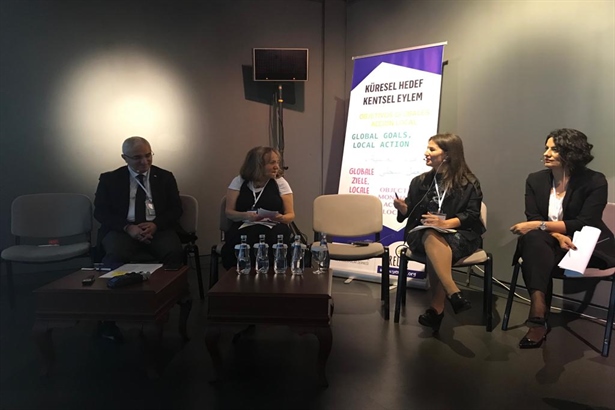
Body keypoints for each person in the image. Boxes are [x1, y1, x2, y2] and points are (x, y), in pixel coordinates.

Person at [510, 128, 615, 349]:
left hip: (583, 245)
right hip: (547, 243)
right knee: (534, 240)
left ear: (572, 152)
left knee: (534, 240)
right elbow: (534, 218)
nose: (546, 153)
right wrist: (555, 234)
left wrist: (538, 226)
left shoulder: (595, 181)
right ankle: (538, 313)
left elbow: (586, 222)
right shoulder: (535, 180)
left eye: (554, 149)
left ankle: (538, 319)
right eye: (546, 148)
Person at [393, 133, 485, 333]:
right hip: (422, 234)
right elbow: (410, 211)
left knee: (436, 245)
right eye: (428, 148)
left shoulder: (468, 182)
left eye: (432, 149)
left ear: (448, 154)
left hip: (460, 234)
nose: (426, 153)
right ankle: (453, 292)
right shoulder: (419, 181)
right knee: (430, 235)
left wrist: (445, 223)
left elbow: (472, 215)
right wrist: (403, 208)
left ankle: (436, 309)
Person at [94, 136, 184, 266]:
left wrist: (155, 225)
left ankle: (170, 280)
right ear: (125, 158)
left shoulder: (164, 177)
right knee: (115, 255)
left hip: (158, 229)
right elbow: (101, 212)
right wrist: (128, 227)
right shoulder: (110, 179)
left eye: (148, 155)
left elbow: (176, 209)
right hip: (122, 230)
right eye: (137, 157)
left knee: (174, 253)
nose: (144, 161)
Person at [221, 146, 295, 270]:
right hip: (244, 225)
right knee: (243, 237)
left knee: (276, 236)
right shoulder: (239, 181)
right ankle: (243, 273)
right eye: (272, 163)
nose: (277, 167)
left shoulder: (280, 182)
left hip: (273, 226)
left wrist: (280, 218)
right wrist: (246, 215)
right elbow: (229, 212)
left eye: (277, 162)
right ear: (258, 165)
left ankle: (272, 274)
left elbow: (290, 215)